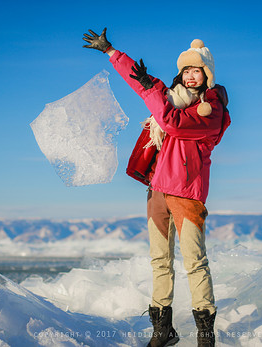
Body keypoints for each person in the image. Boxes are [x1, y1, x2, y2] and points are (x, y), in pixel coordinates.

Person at [83, 28, 230, 347]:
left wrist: (155, 89)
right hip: (158, 191)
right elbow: (144, 87)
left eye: (197, 70)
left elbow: (171, 122)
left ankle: (205, 334)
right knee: (159, 260)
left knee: (194, 261)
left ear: (207, 75)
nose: (191, 76)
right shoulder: (173, 99)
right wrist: (111, 52)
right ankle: (163, 330)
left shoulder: (211, 109)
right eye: (186, 70)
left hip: (187, 194)